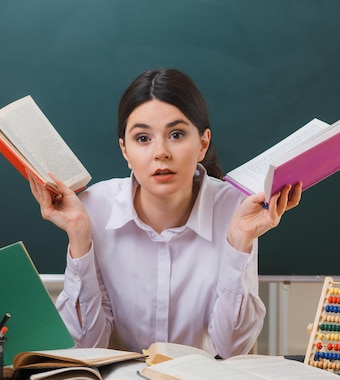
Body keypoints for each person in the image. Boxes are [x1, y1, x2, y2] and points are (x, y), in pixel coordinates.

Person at [28, 68, 301, 359]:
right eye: (143, 138)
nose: (161, 152)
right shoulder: (94, 207)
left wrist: (239, 241)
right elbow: (86, 347)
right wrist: (80, 238)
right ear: (125, 150)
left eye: (176, 134)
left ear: (203, 143)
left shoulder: (235, 209)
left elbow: (231, 348)